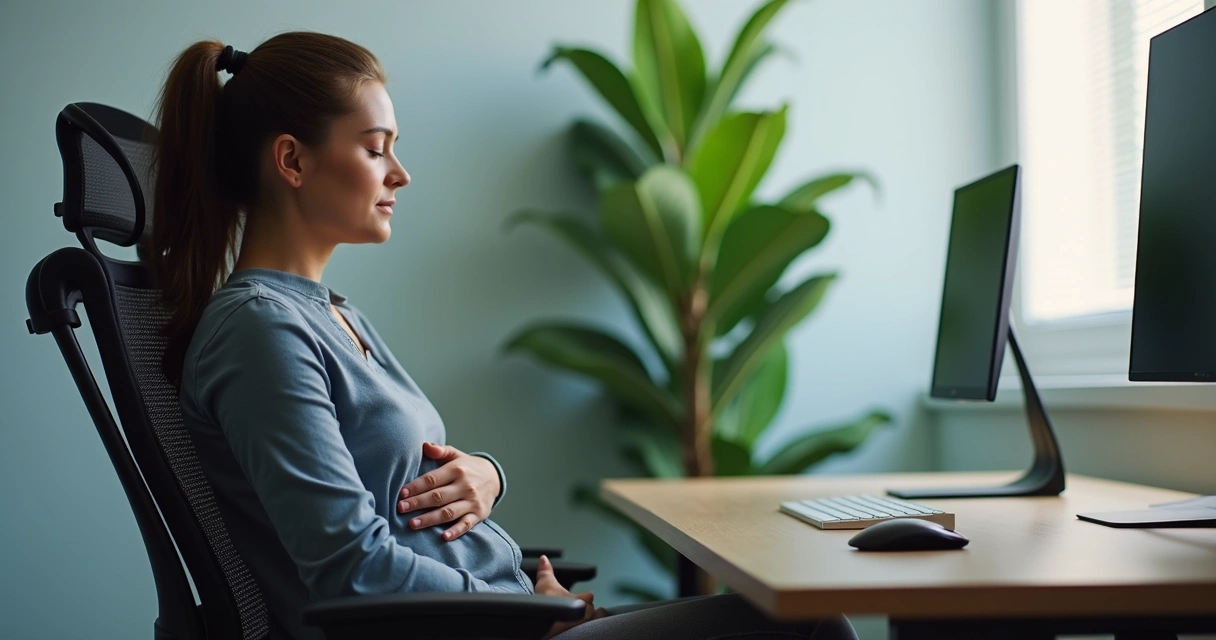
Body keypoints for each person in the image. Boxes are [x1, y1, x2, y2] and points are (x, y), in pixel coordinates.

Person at [149, 31, 858, 640]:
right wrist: (526, 610)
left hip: (508, 615)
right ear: (293, 162)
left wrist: (488, 474)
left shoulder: (330, 313)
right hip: (497, 627)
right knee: (807, 624)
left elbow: (405, 477)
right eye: (375, 149)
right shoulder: (260, 332)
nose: (400, 172)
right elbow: (350, 571)